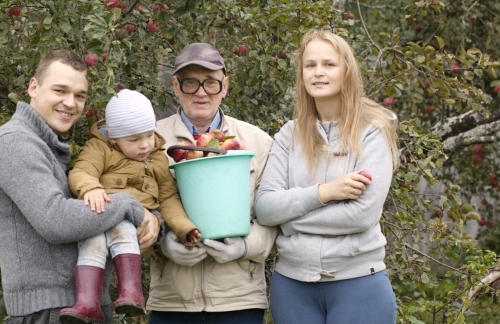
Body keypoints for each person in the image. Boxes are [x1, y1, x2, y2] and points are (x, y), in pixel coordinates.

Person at [0, 50, 160, 324]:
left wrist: (152, 219)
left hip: (80, 307)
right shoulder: (13, 143)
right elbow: (56, 220)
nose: (70, 103)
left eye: (80, 95)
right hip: (47, 311)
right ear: (33, 87)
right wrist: (133, 207)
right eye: (60, 90)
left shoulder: (46, 146)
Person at [254, 29, 400, 324]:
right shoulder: (289, 134)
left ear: (346, 71)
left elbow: (361, 215)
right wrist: (325, 192)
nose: (318, 73)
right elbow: (265, 209)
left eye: (329, 64)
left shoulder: (372, 132)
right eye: (310, 65)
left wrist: (290, 221)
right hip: (292, 288)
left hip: (359, 286)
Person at [147, 42, 278, 324]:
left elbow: (273, 219)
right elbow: (136, 206)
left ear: (225, 86)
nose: (202, 92)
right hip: (172, 302)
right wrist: (160, 244)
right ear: (175, 85)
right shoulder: (150, 142)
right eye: (191, 82)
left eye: (211, 83)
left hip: (239, 299)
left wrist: (244, 248)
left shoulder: (257, 142)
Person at [63, 89, 201, 319]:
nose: (145, 145)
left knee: (123, 227)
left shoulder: (157, 158)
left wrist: (184, 227)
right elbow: (82, 171)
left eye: (148, 135)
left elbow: (168, 198)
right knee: (91, 241)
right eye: (134, 140)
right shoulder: (100, 149)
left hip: (136, 219)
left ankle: (131, 292)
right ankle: (87, 303)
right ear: (113, 138)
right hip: (103, 211)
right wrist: (91, 187)